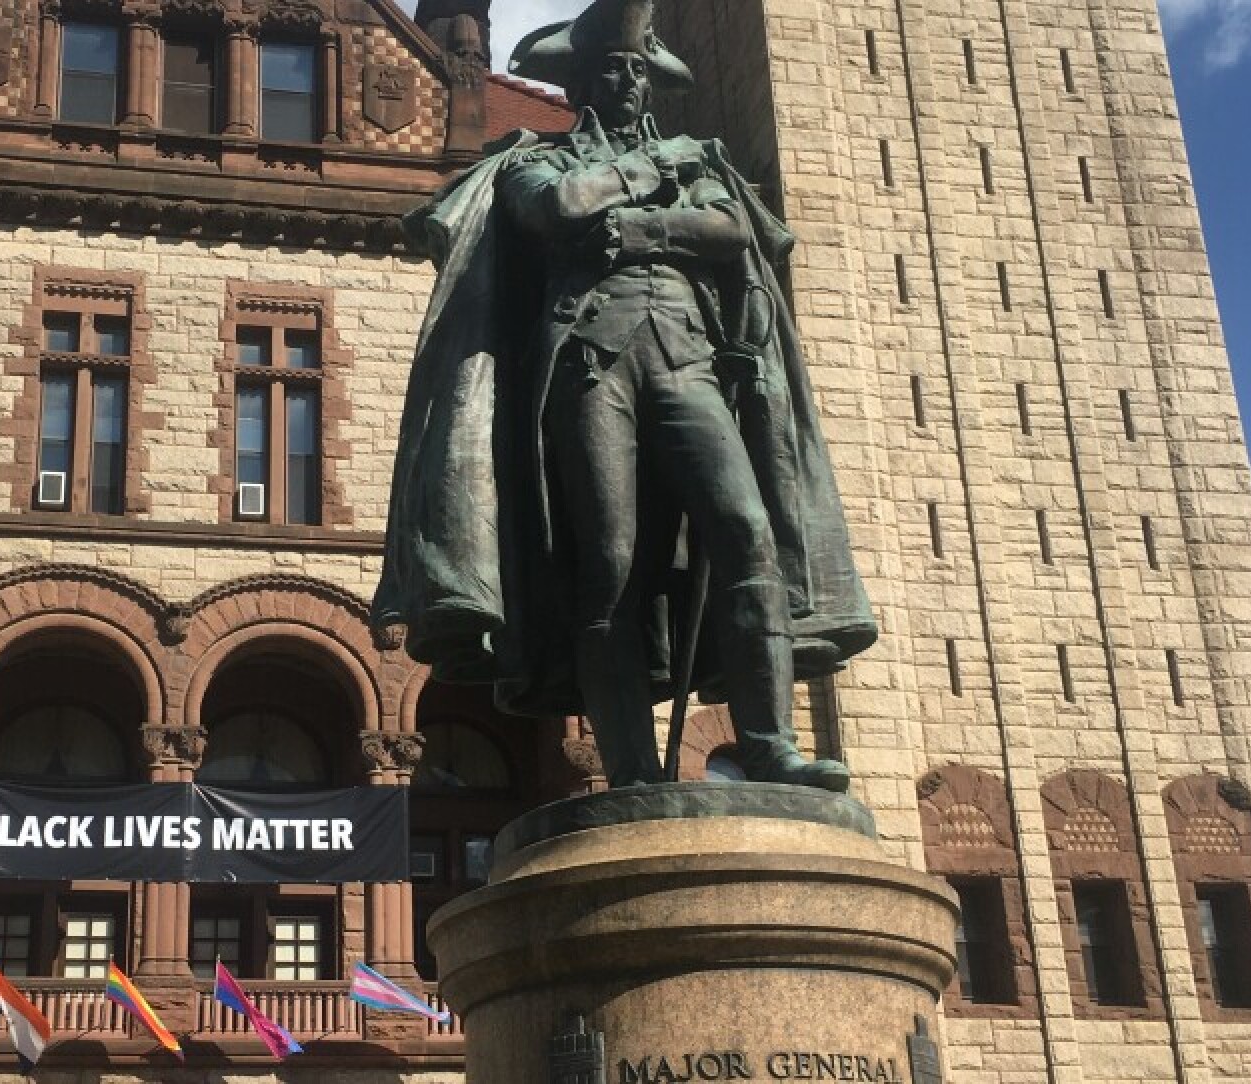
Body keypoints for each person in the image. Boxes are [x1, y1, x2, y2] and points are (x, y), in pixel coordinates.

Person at [373, 0, 877, 791]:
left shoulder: (700, 162)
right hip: (586, 369)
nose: (630, 81)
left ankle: (770, 743)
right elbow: (558, 210)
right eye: (613, 67)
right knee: (610, 563)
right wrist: (653, 176)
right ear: (577, 80)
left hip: (687, 366)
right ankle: (635, 769)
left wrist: (640, 232)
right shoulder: (529, 157)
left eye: (640, 69)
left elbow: (733, 232)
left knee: (745, 532)